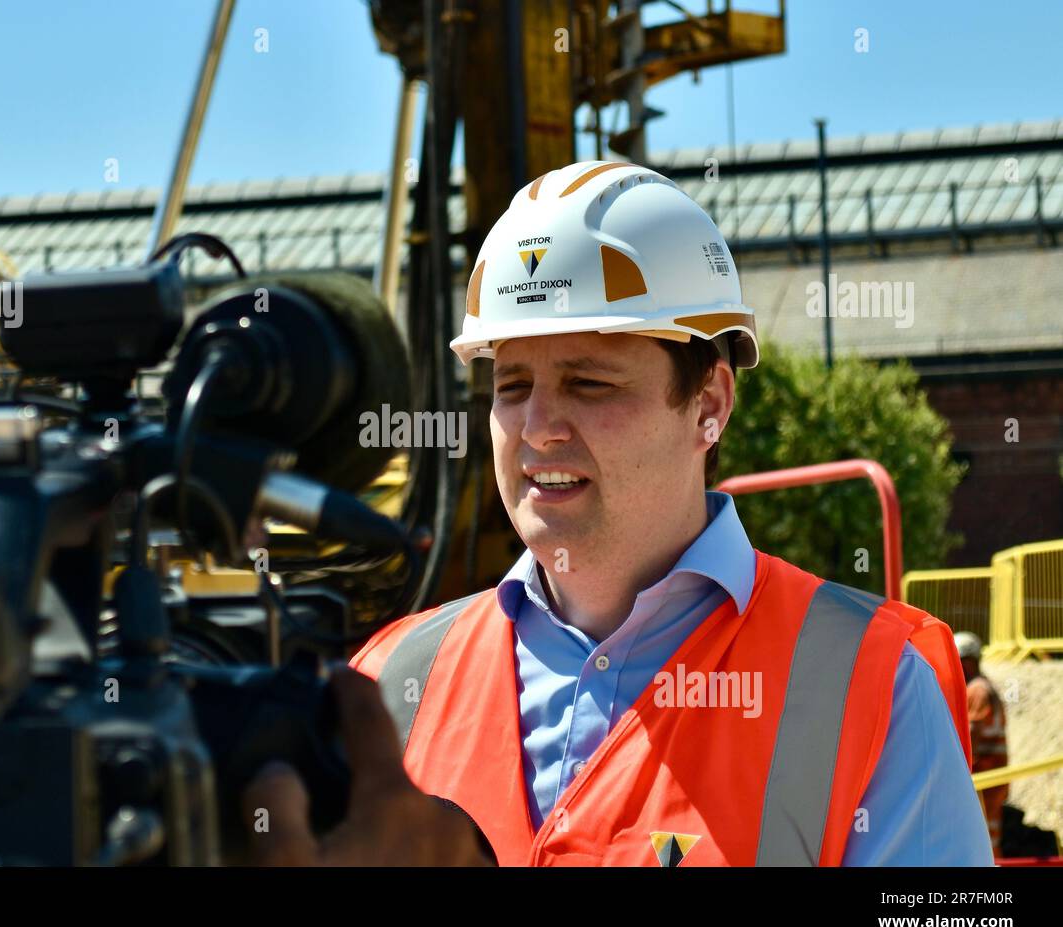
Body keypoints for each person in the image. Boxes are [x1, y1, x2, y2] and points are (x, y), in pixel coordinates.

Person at [247, 160, 992, 867]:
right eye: (511, 386)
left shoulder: (872, 684)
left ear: (709, 405)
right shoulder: (389, 682)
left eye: (589, 383)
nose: (538, 427)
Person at [956, 631, 1009, 856]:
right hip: (992, 774)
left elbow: (972, 732)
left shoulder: (977, 690)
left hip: (984, 774)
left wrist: (958, 768)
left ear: (967, 662)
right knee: (989, 831)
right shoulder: (986, 687)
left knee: (981, 832)